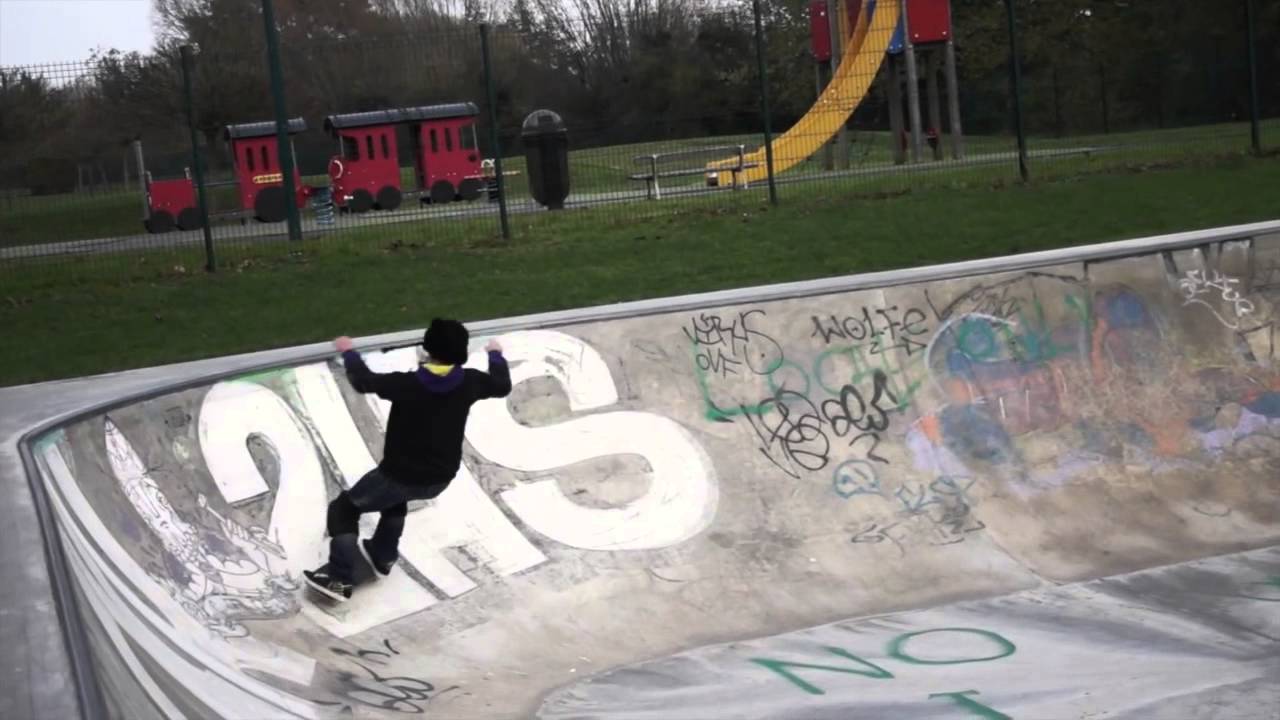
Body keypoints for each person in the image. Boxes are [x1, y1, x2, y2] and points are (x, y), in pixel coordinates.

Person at [303, 318, 512, 601]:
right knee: (394, 500)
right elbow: (501, 386)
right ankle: (382, 556)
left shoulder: (408, 384)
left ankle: (339, 580)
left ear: (427, 350)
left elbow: (363, 381)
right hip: (440, 478)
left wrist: (348, 351)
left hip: (398, 474)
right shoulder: (471, 382)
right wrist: (495, 354)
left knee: (343, 510)